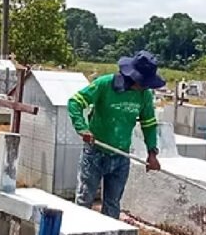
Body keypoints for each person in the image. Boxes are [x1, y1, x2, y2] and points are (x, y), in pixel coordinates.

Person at [67, 50, 164, 219]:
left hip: (121, 155)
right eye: (144, 82)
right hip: (95, 151)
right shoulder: (104, 84)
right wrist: (82, 128)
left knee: (112, 204)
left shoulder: (144, 95)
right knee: (85, 200)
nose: (146, 86)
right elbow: (75, 102)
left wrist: (152, 152)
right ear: (133, 77)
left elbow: (149, 124)